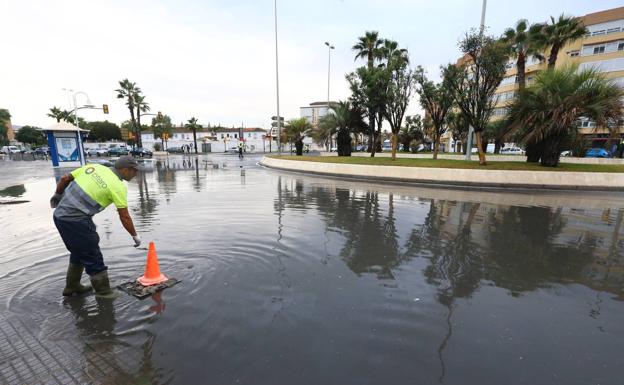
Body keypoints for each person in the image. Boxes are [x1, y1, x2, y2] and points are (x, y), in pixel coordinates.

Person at [51, 156, 142, 299]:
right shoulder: (118, 187)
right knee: (92, 254)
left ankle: (72, 286)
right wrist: (135, 236)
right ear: (125, 170)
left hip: (59, 217)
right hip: (76, 221)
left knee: (79, 251)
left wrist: (57, 195)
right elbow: (124, 215)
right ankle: (104, 293)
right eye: (134, 171)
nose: (136, 174)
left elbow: (64, 179)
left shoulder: (94, 167)